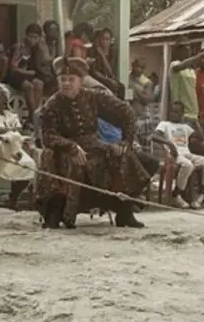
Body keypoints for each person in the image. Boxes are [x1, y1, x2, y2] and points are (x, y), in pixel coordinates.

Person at [35, 56, 149, 229]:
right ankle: (56, 212)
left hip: (93, 144)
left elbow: (126, 111)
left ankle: (124, 211)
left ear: (81, 81)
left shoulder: (92, 97)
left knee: (121, 155)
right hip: (63, 150)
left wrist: (125, 141)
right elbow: (47, 136)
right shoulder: (52, 105)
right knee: (53, 157)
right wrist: (71, 147)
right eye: (62, 80)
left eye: (71, 80)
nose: (66, 84)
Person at [0, 84, 36, 209]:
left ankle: (12, 198)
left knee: (28, 164)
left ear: (5, 100)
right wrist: (7, 131)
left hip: (11, 148)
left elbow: (17, 135)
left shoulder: (12, 116)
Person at [154, 101, 204, 209]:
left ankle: (201, 196)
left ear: (182, 114)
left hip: (187, 154)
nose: (173, 114)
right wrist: (169, 144)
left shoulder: (185, 127)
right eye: (172, 111)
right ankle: (176, 195)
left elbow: (201, 138)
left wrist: (195, 122)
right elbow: (154, 136)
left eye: (177, 112)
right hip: (174, 156)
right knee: (188, 165)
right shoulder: (165, 124)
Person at [7, 23, 47, 114]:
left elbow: (36, 70)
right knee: (29, 86)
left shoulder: (37, 51)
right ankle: (33, 115)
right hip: (14, 76)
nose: (32, 40)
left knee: (39, 84)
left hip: (26, 75)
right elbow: (13, 67)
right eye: (30, 36)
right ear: (26, 36)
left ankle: (35, 113)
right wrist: (26, 72)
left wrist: (27, 72)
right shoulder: (19, 47)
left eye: (35, 37)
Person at [169, 46, 204, 123]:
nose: (188, 50)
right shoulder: (174, 64)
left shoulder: (191, 71)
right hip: (182, 114)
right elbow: (181, 66)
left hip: (194, 113)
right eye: (186, 48)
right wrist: (201, 55)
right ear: (179, 51)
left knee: (200, 135)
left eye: (189, 47)